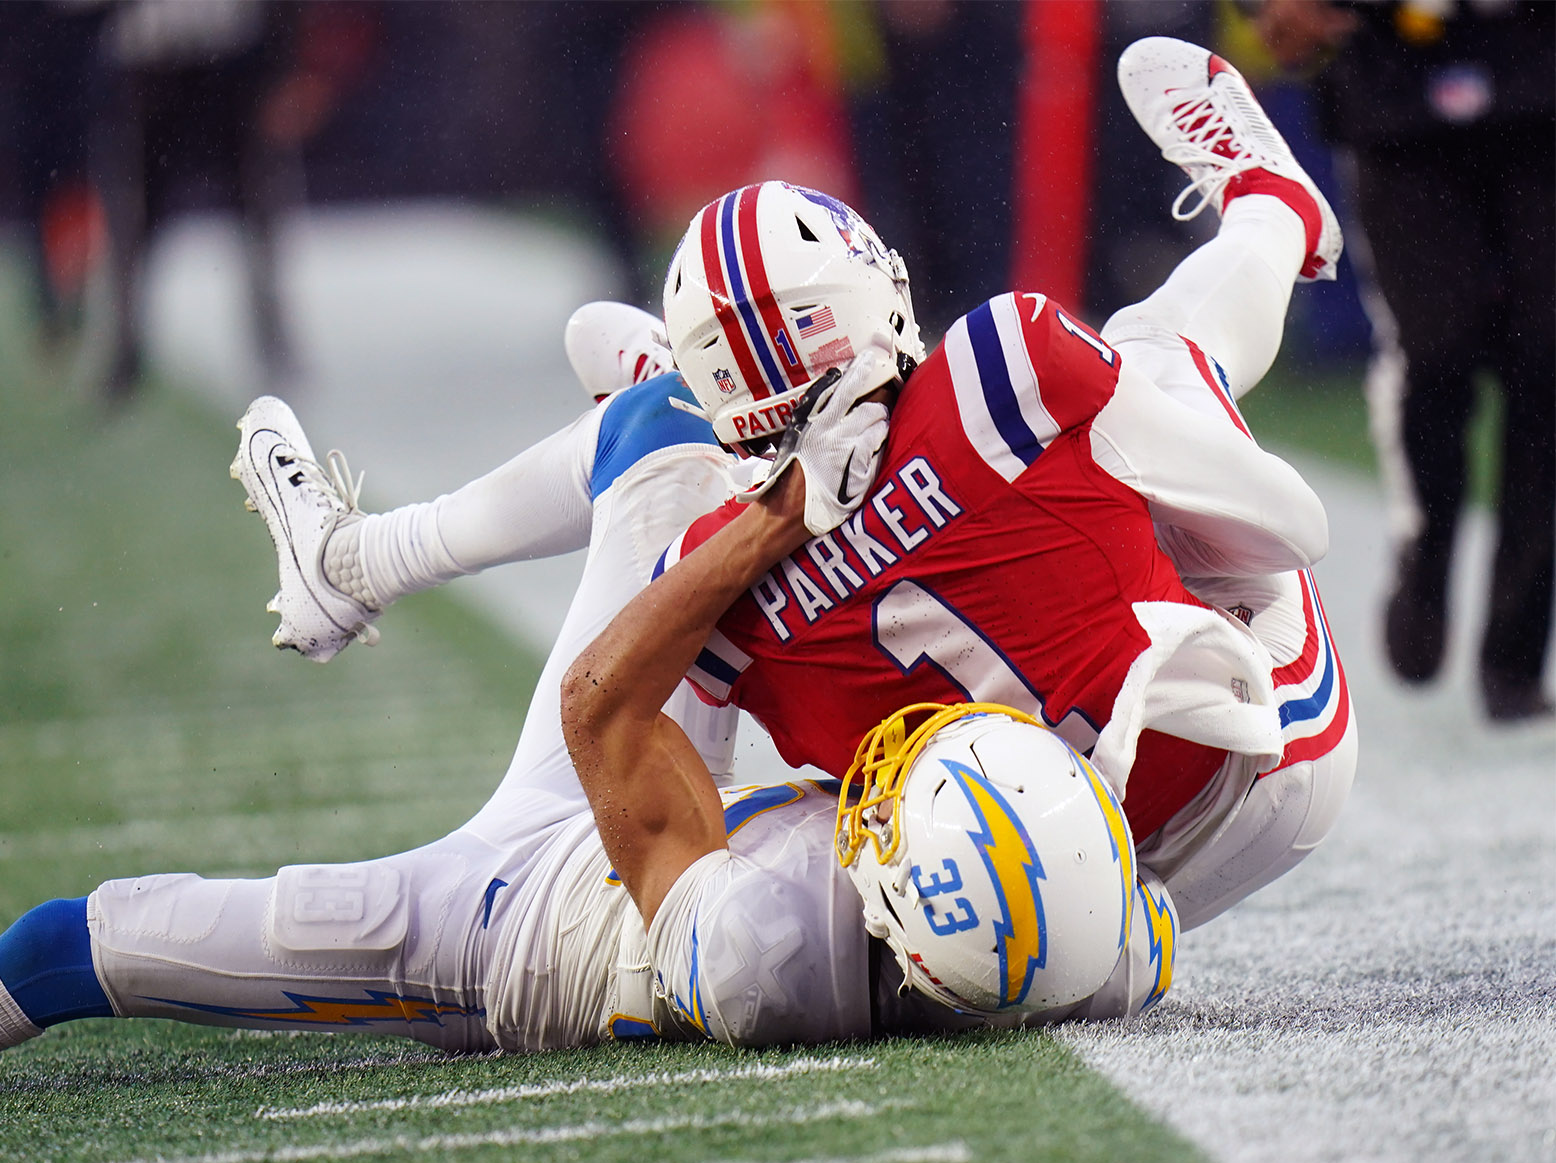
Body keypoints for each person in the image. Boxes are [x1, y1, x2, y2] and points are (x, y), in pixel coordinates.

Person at [225, 37, 1355, 941]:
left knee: (672, 485)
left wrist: (795, 525)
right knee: (1155, 344)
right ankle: (1271, 211)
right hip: (1260, 767)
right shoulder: (1003, 365)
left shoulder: (710, 575)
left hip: (1052, 906)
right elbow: (1287, 533)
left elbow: (674, 789)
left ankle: (403, 543)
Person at [0, 368, 1177, 1058]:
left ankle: (354, 563)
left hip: (522, 925)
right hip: (700, 815)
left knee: (68, 946)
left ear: (890, 900)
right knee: (674, 412)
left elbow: (602, 712)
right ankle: (352, 560)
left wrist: (778, 522)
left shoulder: (768, 958)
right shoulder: (1090, 938)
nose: (891, 760)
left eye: (897, 794)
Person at [1254, 0, 1554, 721]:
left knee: (1546, 364)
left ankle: (1514, 656)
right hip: (1395, 80)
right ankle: (1427, 550)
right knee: (1437, 347)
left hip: (1541, 77)